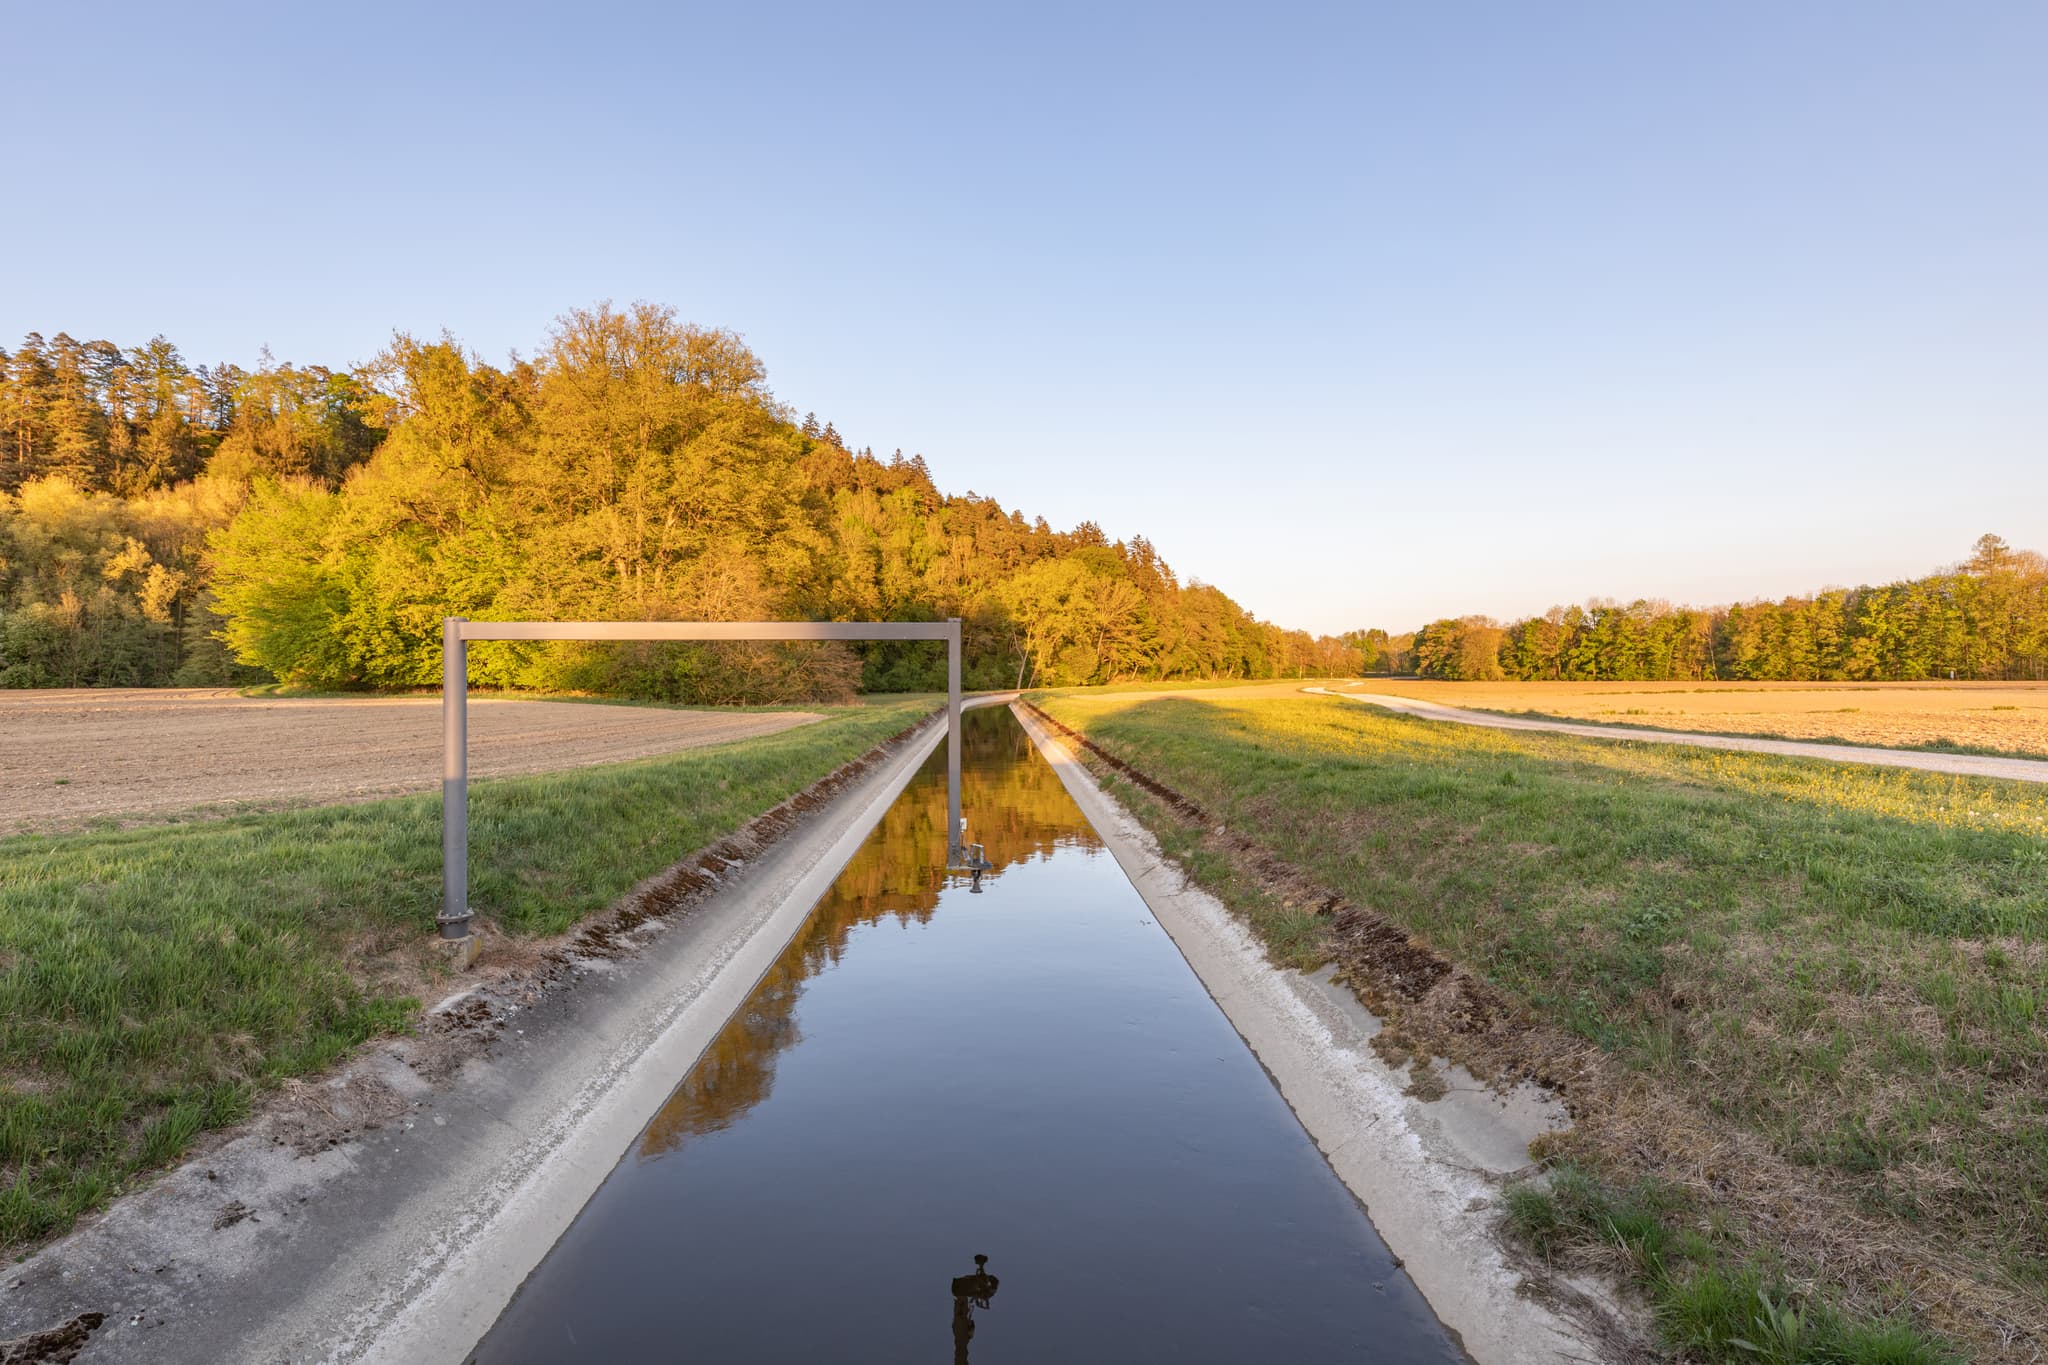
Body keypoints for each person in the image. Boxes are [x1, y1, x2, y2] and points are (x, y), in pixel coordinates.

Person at [950, 1254, 999, 1363]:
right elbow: (983, 1301)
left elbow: (983, 1301)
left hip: (962, 1295)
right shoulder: (983, 1286)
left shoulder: (984, 1288)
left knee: (961, 1343)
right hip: (962, 1294)